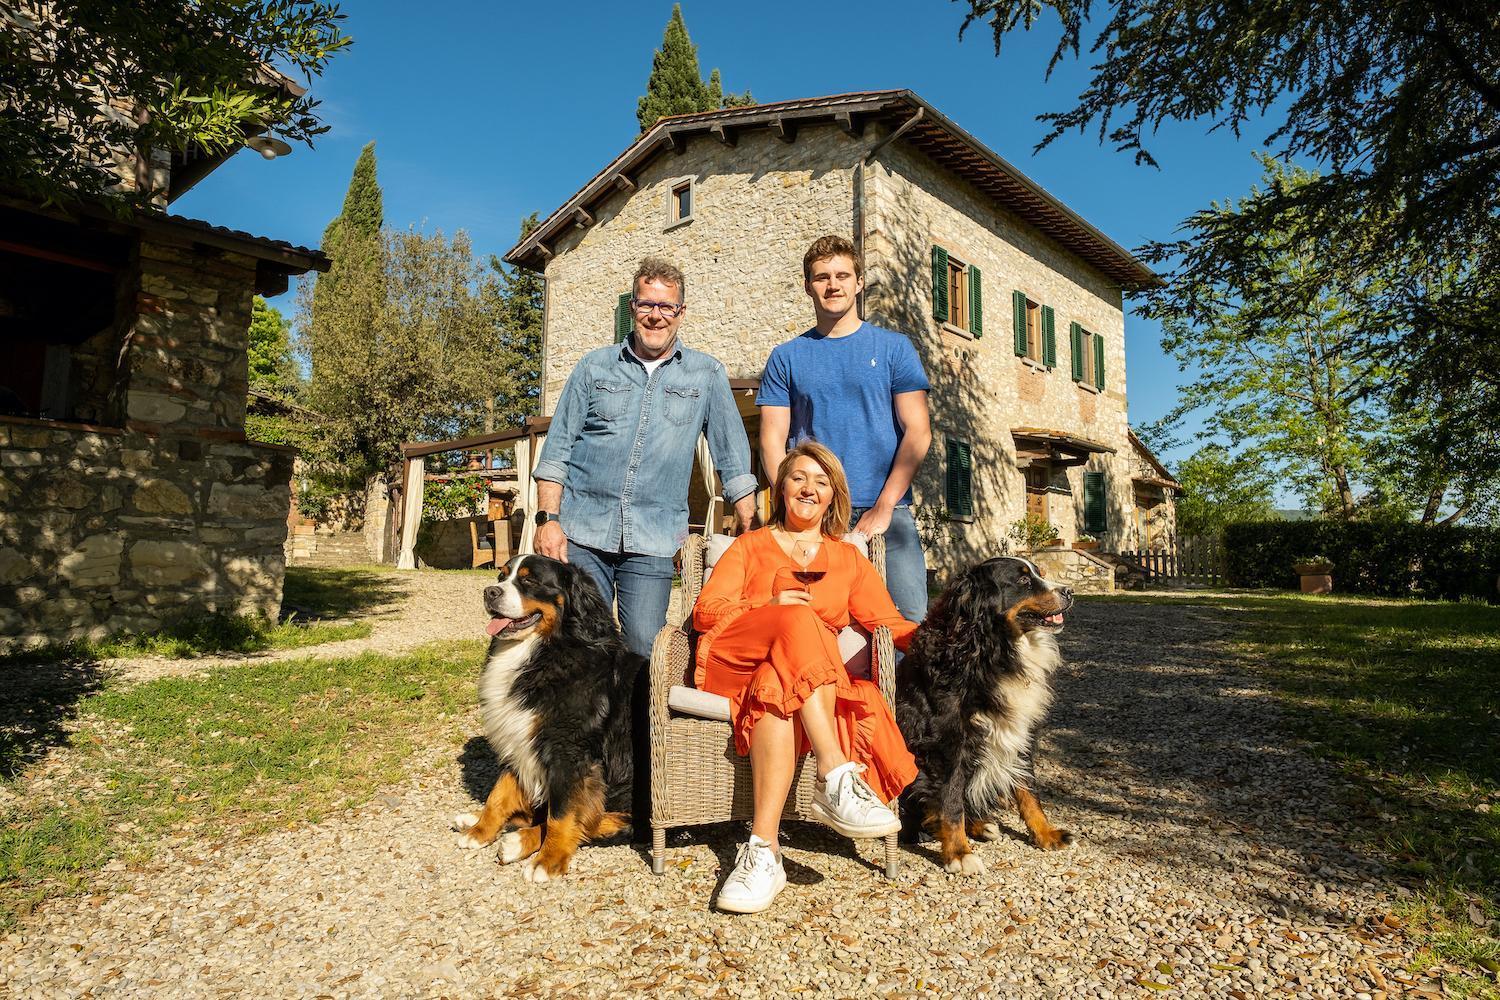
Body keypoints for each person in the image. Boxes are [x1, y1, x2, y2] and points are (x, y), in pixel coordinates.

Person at [693, 441, 918, 913]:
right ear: (780, 489)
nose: (809, 489)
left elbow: (889, 623)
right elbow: (705, 611)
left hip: (789, 681)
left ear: (833, 496)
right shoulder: (750, 546)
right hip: (735, 659)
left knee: (776, 687)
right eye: (798, 478)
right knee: (797, 618)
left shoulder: (849, 559)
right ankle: (835, 775)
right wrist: (766, 607)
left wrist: (948, 638)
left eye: (820, 482)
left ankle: (763, 852)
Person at [532, 257, 757, 657]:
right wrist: (549, 521)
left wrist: (749, 520)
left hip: (654, 540)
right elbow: (557, 451)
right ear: (632, 308)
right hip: (582, 533)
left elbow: (733, 456)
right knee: (580, 645)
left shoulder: (706, 375)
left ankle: (636, 721)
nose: (656, 316)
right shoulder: (594, 367)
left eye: (666, 306)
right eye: (646, 304)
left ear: (680, 312)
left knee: (642, 647)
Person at [757, 235, 934, 623]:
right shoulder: (786, 356)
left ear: (858, 282)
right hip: (814, 511)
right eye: (821, 277)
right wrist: (792, 503)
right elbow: (772, 439)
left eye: (842, 275)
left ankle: (896, 688)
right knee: (814, 619)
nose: (832, 285)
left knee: (908, 619)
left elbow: (918, 431)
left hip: (886, 511)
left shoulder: (894, 348)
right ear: (808, 286)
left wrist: (885, 506)